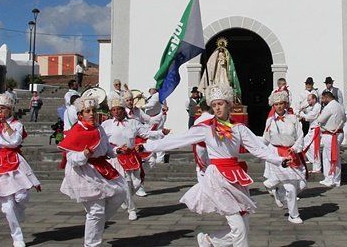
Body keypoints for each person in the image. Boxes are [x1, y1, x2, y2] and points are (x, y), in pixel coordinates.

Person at [137, 83, 289, 247]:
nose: (217, 108)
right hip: (218, 178)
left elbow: (258, 149)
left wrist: (280, 160)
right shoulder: (206, 128)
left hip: (236, 176)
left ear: (229, 104)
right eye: (214, 105)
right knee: (239, 226)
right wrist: (147, 146)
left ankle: (209, 241)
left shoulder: (239, 129)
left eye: (221, 104)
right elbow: (177, 140)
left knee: (243, 225)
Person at [58, 97, 127, 247]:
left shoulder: (99, 128)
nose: (91, 114)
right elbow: (71, 159)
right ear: (80, 115)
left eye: (93, 111)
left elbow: (107, 148)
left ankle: (97, 226)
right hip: (84, 172)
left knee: (121, 193)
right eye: (87, 111)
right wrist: (84, 154)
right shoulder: (76, 131)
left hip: (102, 168)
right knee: (96, 211)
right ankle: (91, 244)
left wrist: (117, 150)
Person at [0, 93, 40, 247]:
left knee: (21, 197)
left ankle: (18, 214)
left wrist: (6, 128)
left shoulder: (16, 124)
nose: (0, 111)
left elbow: (15, 141)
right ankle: (17, 237)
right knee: (7, 206)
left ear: (9, 109)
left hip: (14, 161)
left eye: (3, 108)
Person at [100, 96, 169, 220]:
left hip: (132, 156)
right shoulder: (106, 125)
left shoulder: (133, 122)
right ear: (111, 111)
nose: (116, 112)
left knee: (136, 183)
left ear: (123, 110)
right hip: (116, 157)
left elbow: (146, 133)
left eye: (119, 109)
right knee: (126, 183)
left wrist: (161, 132)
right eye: (114, 110)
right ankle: (132, 209)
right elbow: (102, 140)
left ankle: (125, 199)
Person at [262, 90, 306, 224]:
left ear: (285, 104)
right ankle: (293, 214)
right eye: (276, 104)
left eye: (281, 103)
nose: (279, 106)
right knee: (291, 187)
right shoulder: (270, 121)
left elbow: (300, 136)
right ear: (273, 106)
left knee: (302, 184)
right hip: (277, 155)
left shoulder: (293, 119)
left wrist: (295, 148)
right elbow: (265, 139)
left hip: (291, 153)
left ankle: (274, 188)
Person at [314, 90, 346, 188]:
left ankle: (333, 179)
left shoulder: (329, 107)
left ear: (327, 97)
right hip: (338, 133)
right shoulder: (340, 106)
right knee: (328, 156)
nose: (322, 101)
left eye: (323, 98)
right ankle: (330, 177)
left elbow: (320, 119)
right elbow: (345, 119)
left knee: (331, 157)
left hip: (331, 134)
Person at [298, 93, 321, 173]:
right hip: (312, 129)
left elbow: (310, 116)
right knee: (305, 144)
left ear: (314, 99)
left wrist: (302, 114)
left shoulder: (318, 106)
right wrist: (303, 111)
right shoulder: (313, 107)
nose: (308, 102)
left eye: (309, 100)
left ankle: (317, 168)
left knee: (315, 148)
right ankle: (312, 160)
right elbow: (308, 114)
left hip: (316, 129)